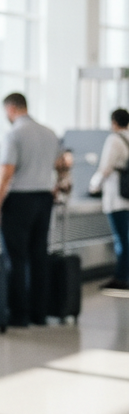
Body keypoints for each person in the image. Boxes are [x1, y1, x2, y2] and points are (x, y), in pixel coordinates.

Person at [0, 92, 61, 327]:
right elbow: (59, 165)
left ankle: (19, 315)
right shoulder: (50, 133)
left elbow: (5, 172)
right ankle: (39, 313)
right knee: (39, 256)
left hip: (19, 201)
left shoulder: (13, 134)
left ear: (11, 108)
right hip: (44, 199)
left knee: (16, 258)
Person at [88, 108, 129, 291]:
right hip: (127, 196)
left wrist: (94, 186)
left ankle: (121, 278)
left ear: (113, 122)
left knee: (121, 240)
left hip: (117, 198)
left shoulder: (114, 139)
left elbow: (105, 167)